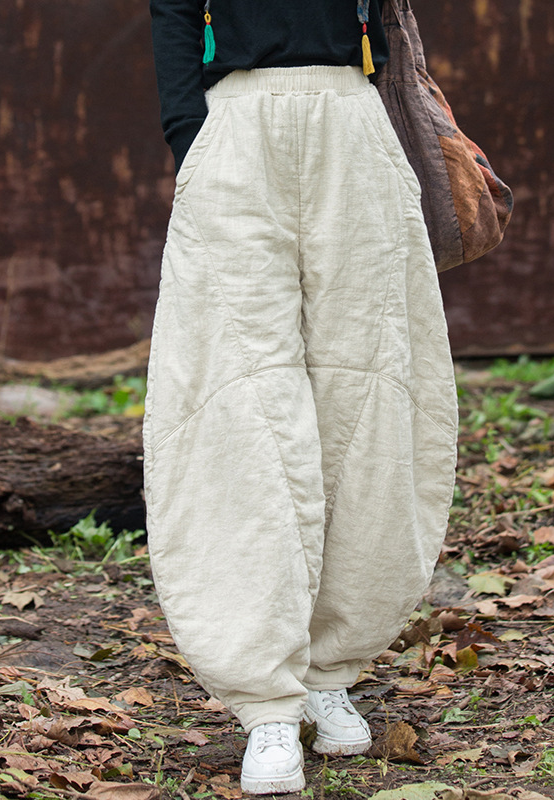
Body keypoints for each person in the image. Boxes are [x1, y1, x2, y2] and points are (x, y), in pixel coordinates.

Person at [144, 0, 458, 793]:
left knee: (370, 399)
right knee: (236, 402)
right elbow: (173, 10)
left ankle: (329, 673)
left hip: (354, 118)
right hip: (234, 123)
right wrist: (190, 136)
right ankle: (265, 704)